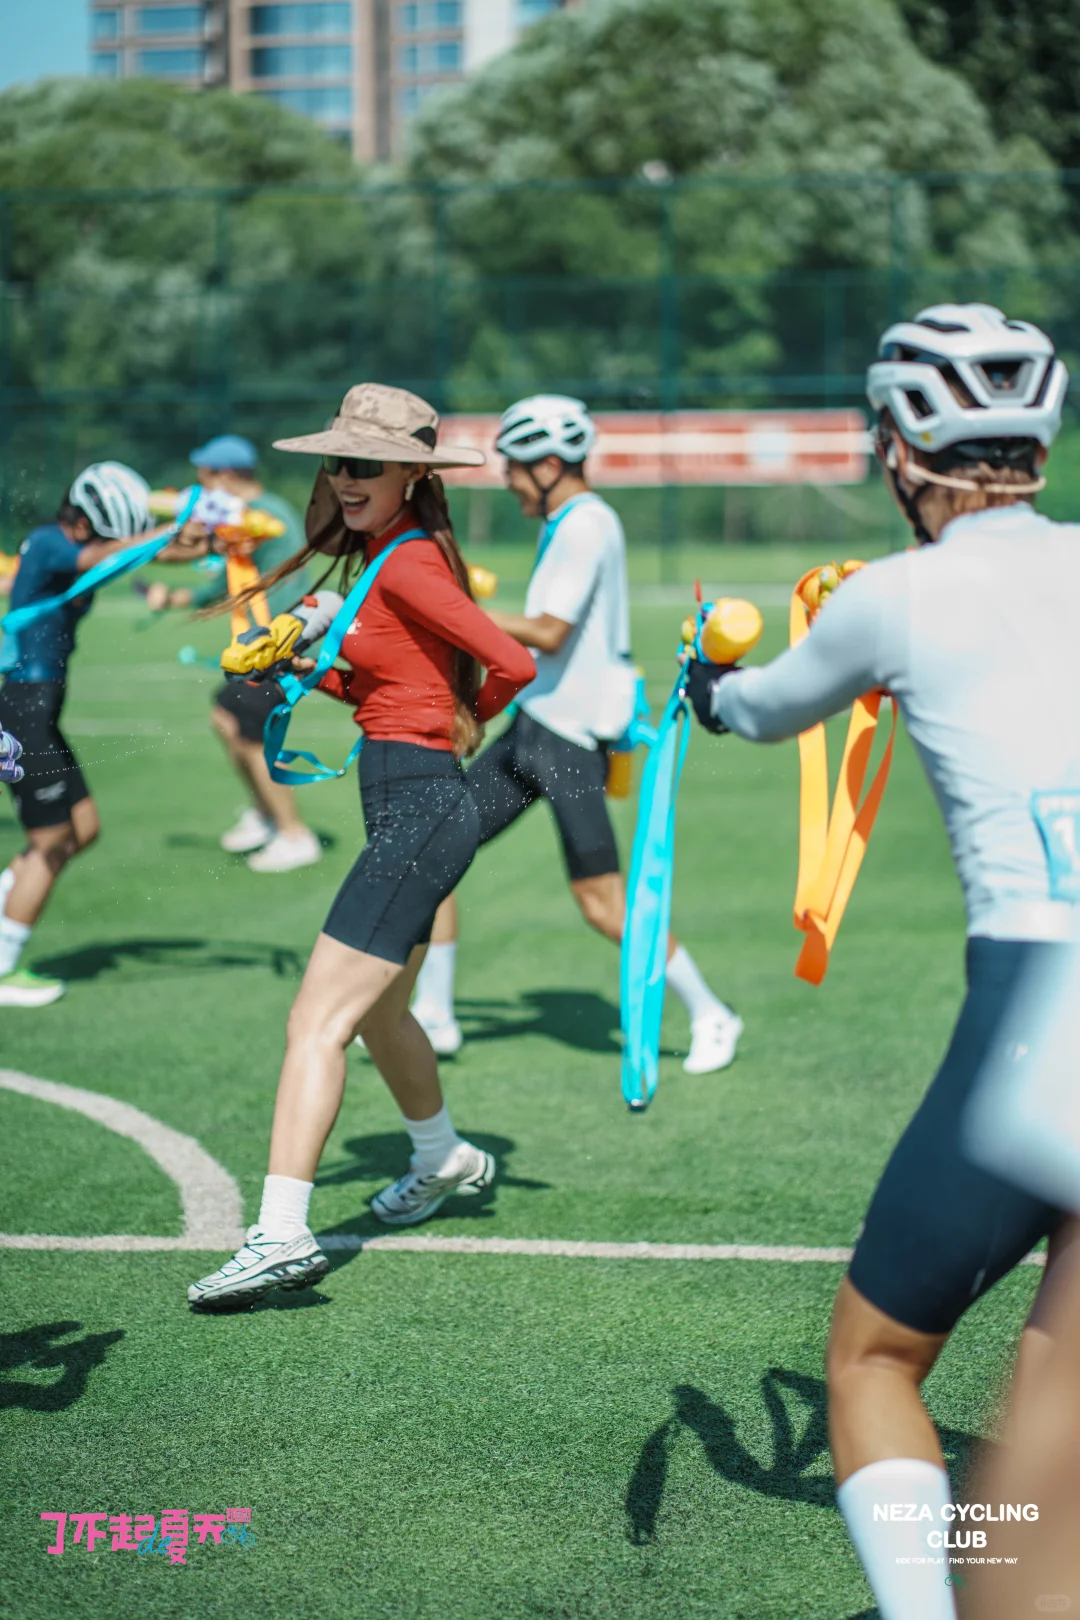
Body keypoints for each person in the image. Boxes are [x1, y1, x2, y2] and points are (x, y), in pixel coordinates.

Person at [685, 304, 1078, 1620]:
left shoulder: (892, 595)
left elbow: (757, 708)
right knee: (1054, 1398)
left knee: (873, 1360)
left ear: (904, 450)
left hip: (1043, 1000)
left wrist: (704, 681)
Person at [187, 384, 536, 1311]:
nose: (346, 478)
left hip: (420, 811)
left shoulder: (407, 562)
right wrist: (308, 668)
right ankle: (444, 1156)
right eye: (338, 462)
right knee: (381, 1018)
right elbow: (389, 689)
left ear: (411, 475)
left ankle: (280, 1235)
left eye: (367, 465)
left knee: (315, 1024)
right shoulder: (385, 556)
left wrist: (464, 718)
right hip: (409, 807)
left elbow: (515, 662)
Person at [408, 395, 743, 1073]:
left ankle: (713, 1014)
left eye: (515, 466)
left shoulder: (586, 523)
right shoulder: (566, 522)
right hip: (537, 727)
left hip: (568, 741)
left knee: (602, 903)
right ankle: (433, 1015)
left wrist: (450, 609)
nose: (507, 479)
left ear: (551, 465)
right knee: (430, 854)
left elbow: (549, 632)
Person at [0, 463, 162, 1007]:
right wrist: (174, 528)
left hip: (38, 713)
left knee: (82, 829)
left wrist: (205, 537)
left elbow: (138, 553)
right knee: (50, 843)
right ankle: (2, 967)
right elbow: (102, 557)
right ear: (90, 522)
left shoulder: (77, 548)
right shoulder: (52, 543)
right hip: (19, 712)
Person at [145, 433, 321, 874]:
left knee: (252, 736)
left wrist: (136, 548)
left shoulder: (262, 515)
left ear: (224, 475)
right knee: (225, 718)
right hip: (263, 646)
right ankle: (266, 815)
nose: (201, 483)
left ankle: (295, 834)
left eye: (205, 475)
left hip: (281, 647)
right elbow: (230, 578)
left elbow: (200, 551)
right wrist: (176, 597)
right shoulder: (247, 517)